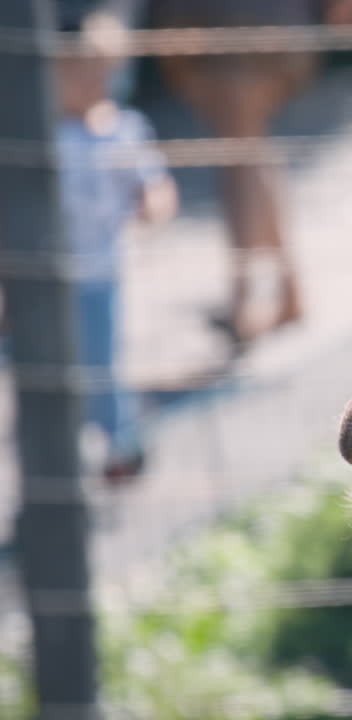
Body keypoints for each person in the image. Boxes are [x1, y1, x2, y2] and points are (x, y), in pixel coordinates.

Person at [149, 0, 352, 346]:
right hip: (250, 27)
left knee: (240, 158)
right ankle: (285, 292)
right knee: (248, 150)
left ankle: (246, 299)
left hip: (234, 26)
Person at [56, 12, 178, 485]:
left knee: (101, 361)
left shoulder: (123, 129)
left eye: (96, 71)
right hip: (46, 274)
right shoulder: (43, 134)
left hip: (100, 270)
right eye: (72, 72)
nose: (87, 82)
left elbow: (155, 184)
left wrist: (152, 207)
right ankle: (65, 447)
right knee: (54, 365)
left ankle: (119, 442)